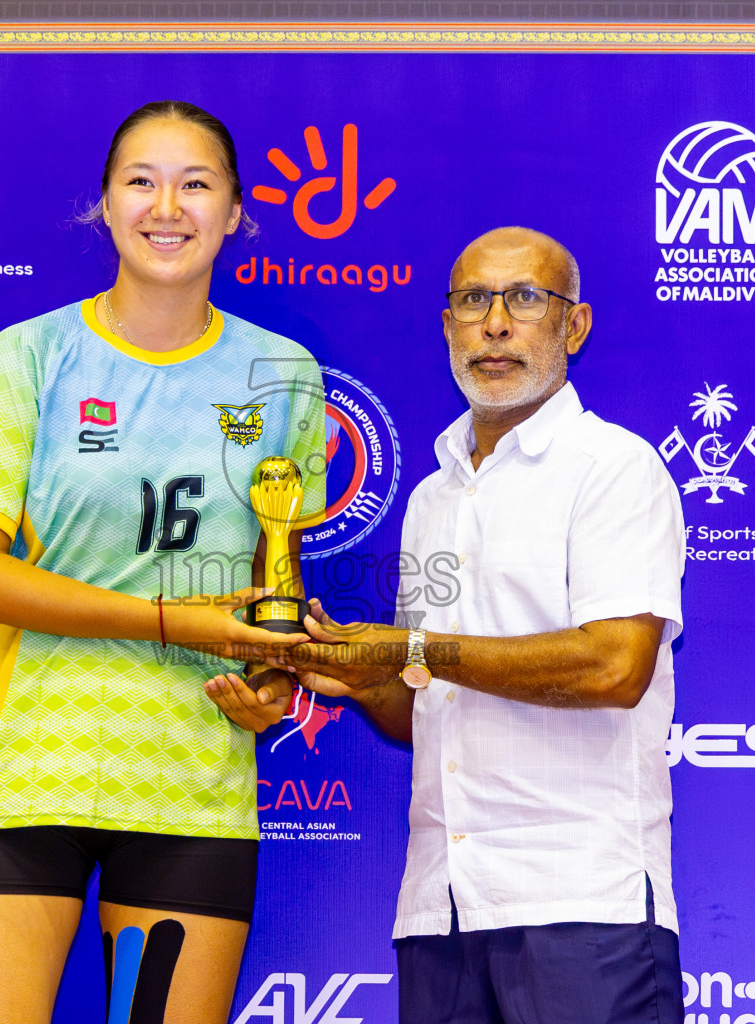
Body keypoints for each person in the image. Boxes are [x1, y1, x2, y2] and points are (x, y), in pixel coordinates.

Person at [208, 226, 686, 1024]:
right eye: (473, 300)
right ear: (447, 326)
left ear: (575, 326)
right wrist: (364, 681)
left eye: (526, 299)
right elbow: (428, 707)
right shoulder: (433, 496)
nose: (495, 323)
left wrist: (416, 649)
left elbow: (615, 667)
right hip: (442, 908)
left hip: (580, 903)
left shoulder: (615, 468)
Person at [0, 100, 325, 1024]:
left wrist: (272, 676)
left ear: (236, 212)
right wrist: (166, 621)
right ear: (104, 206)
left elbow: (274, 584)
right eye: (140, 182)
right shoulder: (30, 355)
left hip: (192, 780)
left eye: (196, 184)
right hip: (29, 769)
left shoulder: (286, 374)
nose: (166, 206)